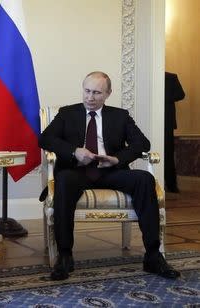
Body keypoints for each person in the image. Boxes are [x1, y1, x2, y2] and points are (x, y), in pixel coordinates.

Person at [38, 71, 180, 281]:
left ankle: (152, 255)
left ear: (108, 93)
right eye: (87, 91)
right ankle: (65, 256)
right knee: (64, 180)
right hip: (78, 172)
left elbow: (142, 143)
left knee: (145, 179)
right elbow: (45, 139)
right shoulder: (67, 114)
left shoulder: (120, 115)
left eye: (97, 92)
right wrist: (74, 151)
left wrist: (117, 159)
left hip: (111, 171)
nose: (90, 97)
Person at [164, 72, 185, 193]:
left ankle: (171, 184)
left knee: (168, 154)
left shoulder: (171, 77)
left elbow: (181, 94)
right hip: (152, 118)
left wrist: (163, 97)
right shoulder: (149, 75)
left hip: (167, 121)